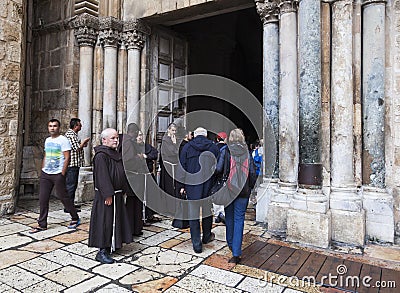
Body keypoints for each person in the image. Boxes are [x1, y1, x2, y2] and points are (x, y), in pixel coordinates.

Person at [88, 128, 133, 264]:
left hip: (117, 194)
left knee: (115, 220)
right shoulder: (101, 155)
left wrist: (124, 188)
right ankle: (102, 250)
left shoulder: (114, 154)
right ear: (104, 140)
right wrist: (108, 194)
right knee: (105, 221)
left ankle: (113, 243)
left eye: (116, 138)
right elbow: (102, 176)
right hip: (107, 196)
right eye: (113, 138)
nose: (116, 140)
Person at [29, 119, 80, 233]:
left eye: (55, 126)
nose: (52, 128)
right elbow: (46, 155)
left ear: (59, 127)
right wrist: (42, 169)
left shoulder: (63, 140)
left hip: (57, 173)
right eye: (50, 126)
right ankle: (42, 224)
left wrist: (62, 173)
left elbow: (67, 157)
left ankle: (75, 217)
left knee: (63, 197)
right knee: (43, 198)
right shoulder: (47, 140)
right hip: (46, 173)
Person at [215, 128, 257, 264]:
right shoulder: (247, 152)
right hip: (243, 191)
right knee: (239, 219)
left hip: (229, 190)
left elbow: (219, 169)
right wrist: (250, 188)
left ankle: (231, 244)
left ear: (230, 139)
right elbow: (252, 173)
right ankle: (236, 253)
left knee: (230, 218)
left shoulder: (225, 151)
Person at [178, 127, 219, 253]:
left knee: (193, 215)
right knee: (207, 212)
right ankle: (206, 236)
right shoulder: (213, 147)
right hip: (208, 185)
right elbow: (217, 167)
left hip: (192, 186)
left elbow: (182, 168)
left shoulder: (187, 147)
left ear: (194, 136)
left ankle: (197, 243)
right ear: (206, 136)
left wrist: (182, 185)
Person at [119, 123, 144, 236]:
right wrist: (139, 158)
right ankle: (132, 229)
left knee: (134, 203)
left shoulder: (126, 141)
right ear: (133, 132)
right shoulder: (128, 142)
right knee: (132, 203)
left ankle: (134, 228)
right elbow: (128, 160)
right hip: (133, 177)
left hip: (132, 177)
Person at [136, 130, 162, 225]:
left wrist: (145, 156)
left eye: (141, 135)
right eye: (138, 135)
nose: (140, 137)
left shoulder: (147, 146)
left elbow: (155, 154)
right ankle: (141, 217)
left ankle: (149, 215)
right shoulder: (132, 147)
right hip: (139, 176)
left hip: (149, 175)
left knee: (151, 196)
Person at [64, 118, 90, 213]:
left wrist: (82, 144)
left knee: (72, 185)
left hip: (75, 163)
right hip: (72, 164)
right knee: (71, 185)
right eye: (79, 125)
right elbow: (76, 148)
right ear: (75, 126)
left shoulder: (73, 135)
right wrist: (83, 142)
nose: (81, 126)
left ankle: (70, 204)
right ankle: (68, 207)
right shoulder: (71, 135)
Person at [213, 131, 228, 224]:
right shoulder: (226, 149)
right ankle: (222, 213)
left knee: (215, 194)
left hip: (215, 174)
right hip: (223, 174)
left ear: (217, 139)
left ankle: (216, 214)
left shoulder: (213, 148)